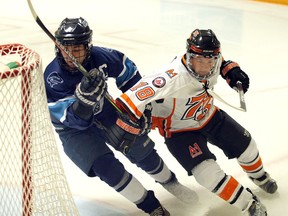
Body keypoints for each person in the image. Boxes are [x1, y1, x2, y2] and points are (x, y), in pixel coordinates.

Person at [44, 17, 197, 216]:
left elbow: (128, 71)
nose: (71, 55)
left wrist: (138, 106)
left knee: (143, 152)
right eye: (66, 48)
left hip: (106, 112)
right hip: (74, 131)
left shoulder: (100, 57)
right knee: (107, 168)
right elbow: (71, 119)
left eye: (77, 49)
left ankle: (172, 184)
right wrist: (83, 102)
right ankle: (153, 208)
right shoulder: (52, 77)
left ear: (88, 46)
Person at [116, 29, 278, 216]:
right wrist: (132, 124)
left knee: (248, 146)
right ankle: (249, 204)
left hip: (210, 116)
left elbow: (223, 62)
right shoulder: (170, 77)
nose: (205, 67)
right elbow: (127, 102)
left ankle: (260, 177)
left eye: (209, 61)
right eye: (200, 61)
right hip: (180, 133)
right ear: (189, 56)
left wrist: (232, 71)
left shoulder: (212, 60)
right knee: (207, 176)